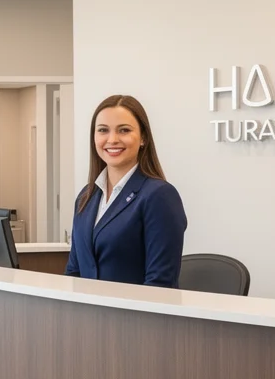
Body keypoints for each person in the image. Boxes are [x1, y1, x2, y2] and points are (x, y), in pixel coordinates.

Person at [65, 94, 188, 288]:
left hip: (133, 317)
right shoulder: (86, 197)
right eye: (103, 130)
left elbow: (160, 284)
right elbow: (74, 271)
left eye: (124, 130)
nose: (112, 139)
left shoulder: (159, 196)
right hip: (88, 316)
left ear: (143, 138)